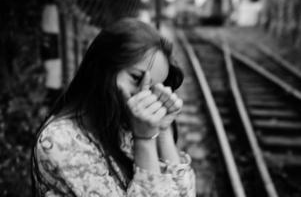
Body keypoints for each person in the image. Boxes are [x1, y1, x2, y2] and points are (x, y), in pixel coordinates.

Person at [31, 18, 196, 197]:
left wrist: (163, 131)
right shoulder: (60, 140)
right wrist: (145, 140)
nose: (144, 95)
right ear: (103, 66)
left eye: (153, 88)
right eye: (136, 78)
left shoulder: (125, 126)